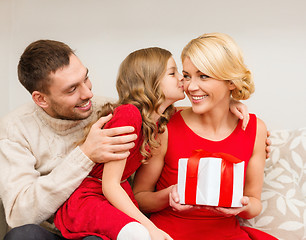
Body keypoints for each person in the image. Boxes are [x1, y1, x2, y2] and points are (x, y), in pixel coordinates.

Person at [133, 33, 277, 239]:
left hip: (226, 234)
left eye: (203, 76)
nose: (191, 87)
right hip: (169, 234)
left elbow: (254, 203)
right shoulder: (166, 126)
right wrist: (171, 195)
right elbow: (139, 197)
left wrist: (241, 207)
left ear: (231, 81)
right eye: (187, 75)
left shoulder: (255, 129)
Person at [0, 40, 138, 240]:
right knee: (23, 236)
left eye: (86, 78)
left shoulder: (107, 110)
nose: (88, 93)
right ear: (41, 99)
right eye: (72, 89)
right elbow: (19, 216)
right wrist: (85, 155)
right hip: (50, 233)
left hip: (99, 228)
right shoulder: (15, 129)